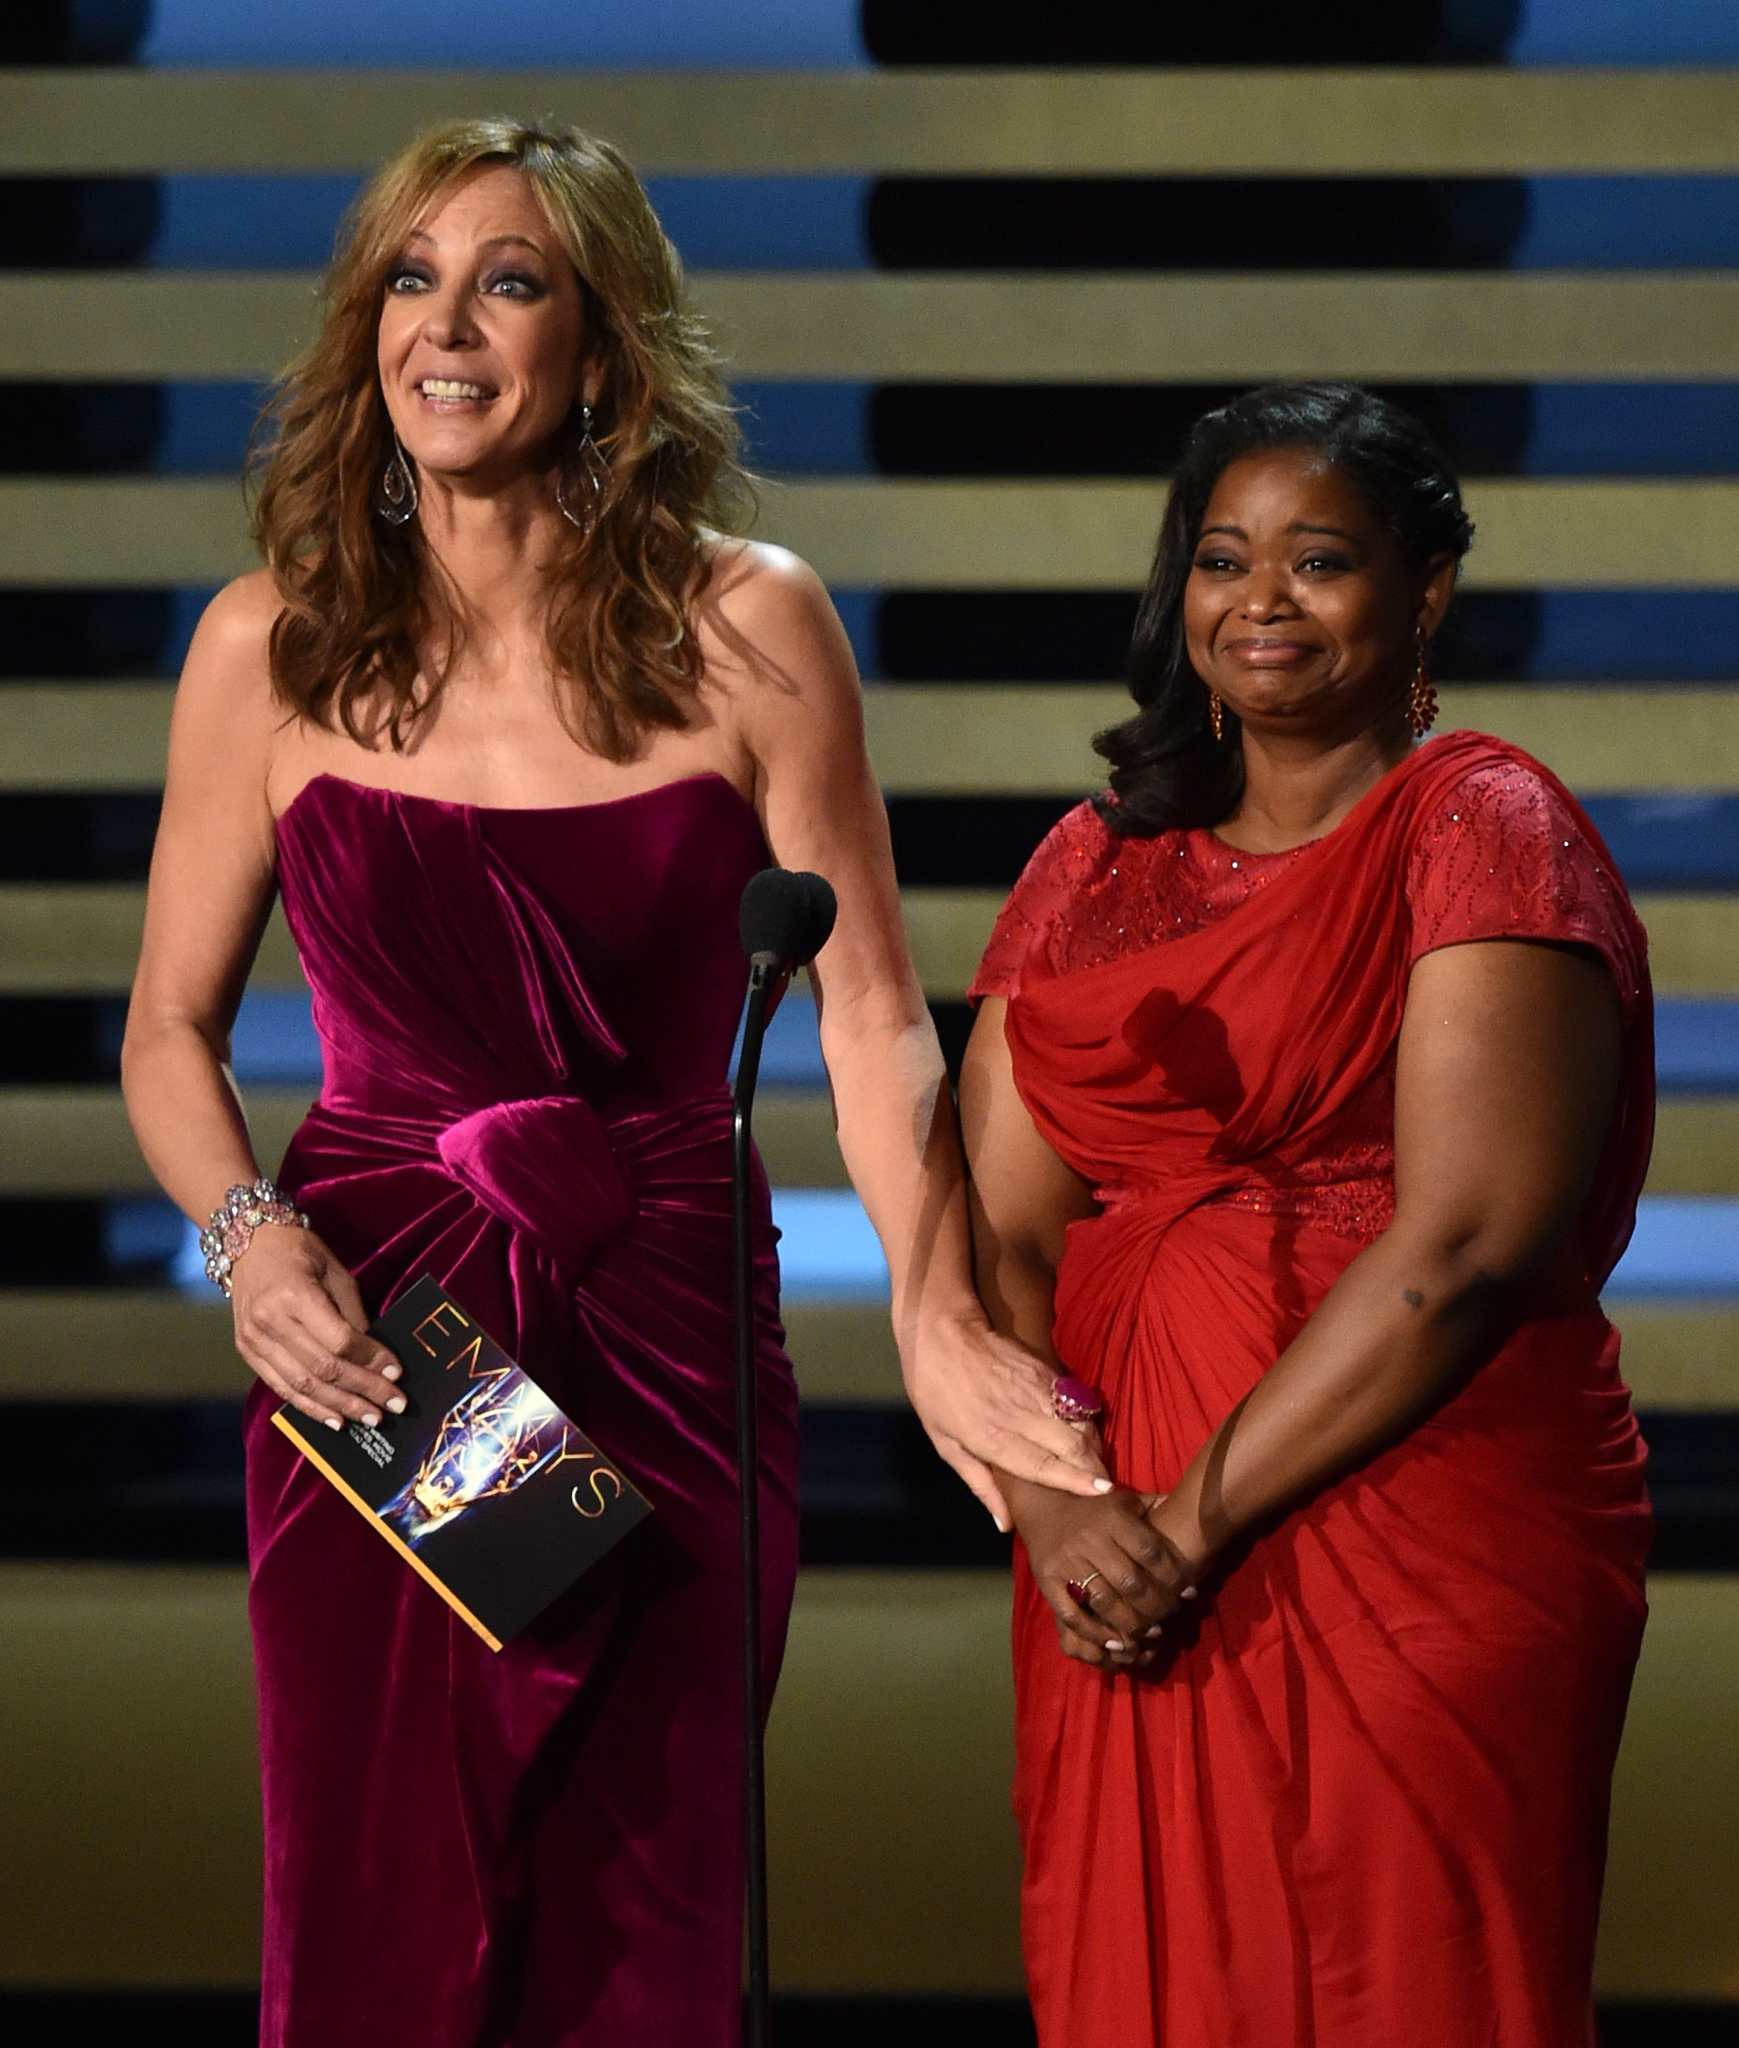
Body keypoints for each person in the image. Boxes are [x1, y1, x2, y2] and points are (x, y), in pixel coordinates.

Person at [120, 118, 1106, 2048]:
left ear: (603, 344)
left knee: (643, 1919)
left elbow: (876, 1016)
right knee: (387, 1914)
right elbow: (168, 1031)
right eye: (412, 279)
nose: (448, 326)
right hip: (385, 1354)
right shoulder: (269, 643)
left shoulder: (751, 625)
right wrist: (248, 1244)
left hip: (669, 1324)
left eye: (510, 281)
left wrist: (936, 1310)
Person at [958, 384, 1653, 2048]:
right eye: (1222, 558)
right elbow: (998, 1240)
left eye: (1320, 559)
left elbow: (1468, 1243)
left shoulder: (1482, 824)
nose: (1260, 600)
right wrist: (1060, 1513)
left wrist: (1185, 1529)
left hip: (1410, 1523)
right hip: (1103, 1544)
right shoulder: (1088, 864)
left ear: (1425, 593)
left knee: (1407, 1978)